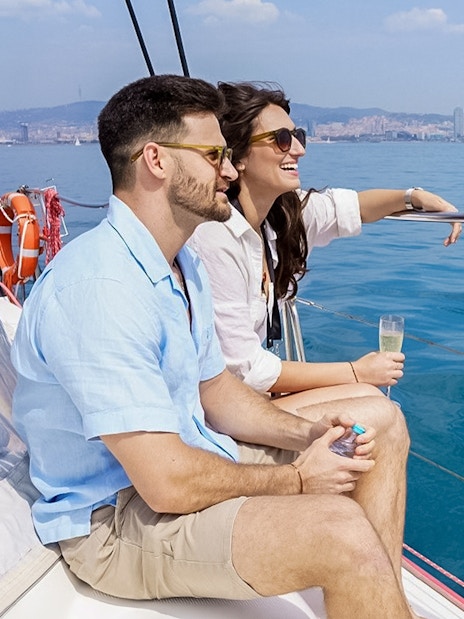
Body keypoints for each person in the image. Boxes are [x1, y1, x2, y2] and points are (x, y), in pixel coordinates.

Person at [12, 74, 419, 619]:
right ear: (156, 160)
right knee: (340, 529)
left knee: (376, 420)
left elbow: (219, 393)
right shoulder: (100, 290)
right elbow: (165, 483)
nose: (229, 171)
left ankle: (382, 597)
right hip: (117, 519)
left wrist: (313, 433)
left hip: (194, 454)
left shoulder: (179, 264)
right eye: (212, 155)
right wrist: (298, 478)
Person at [189, 81, 461, 412]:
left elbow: (354, 207)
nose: (299, 150)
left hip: (247, 400)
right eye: (282, 140)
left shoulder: (279, 215)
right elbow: (245, 369)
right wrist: (356, 372)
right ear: (239, 156)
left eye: (298, 136)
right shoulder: (216, 235)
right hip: (216, 413)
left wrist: (414, 197)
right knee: (377, 409)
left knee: (376, 406)